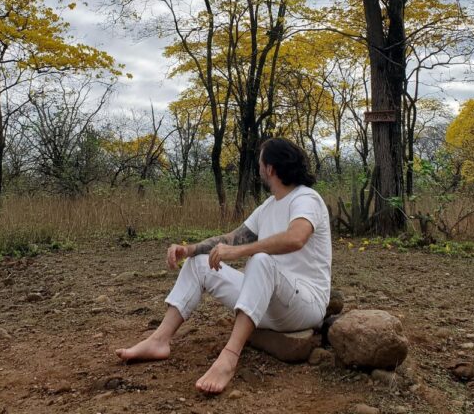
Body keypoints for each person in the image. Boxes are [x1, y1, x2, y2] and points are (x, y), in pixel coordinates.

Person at [115, 137, 332, 394]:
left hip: (305, 304)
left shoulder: (306, 198)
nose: (258, 168)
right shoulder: (268, 207)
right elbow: (232, 238)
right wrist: (190, 249)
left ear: (270, 169)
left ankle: (229, 356)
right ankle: (159, 340)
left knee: (260, 259)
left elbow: (296, 237)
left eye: (260, 163)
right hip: (266, 302)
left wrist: (240, 251)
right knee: (199, 264)